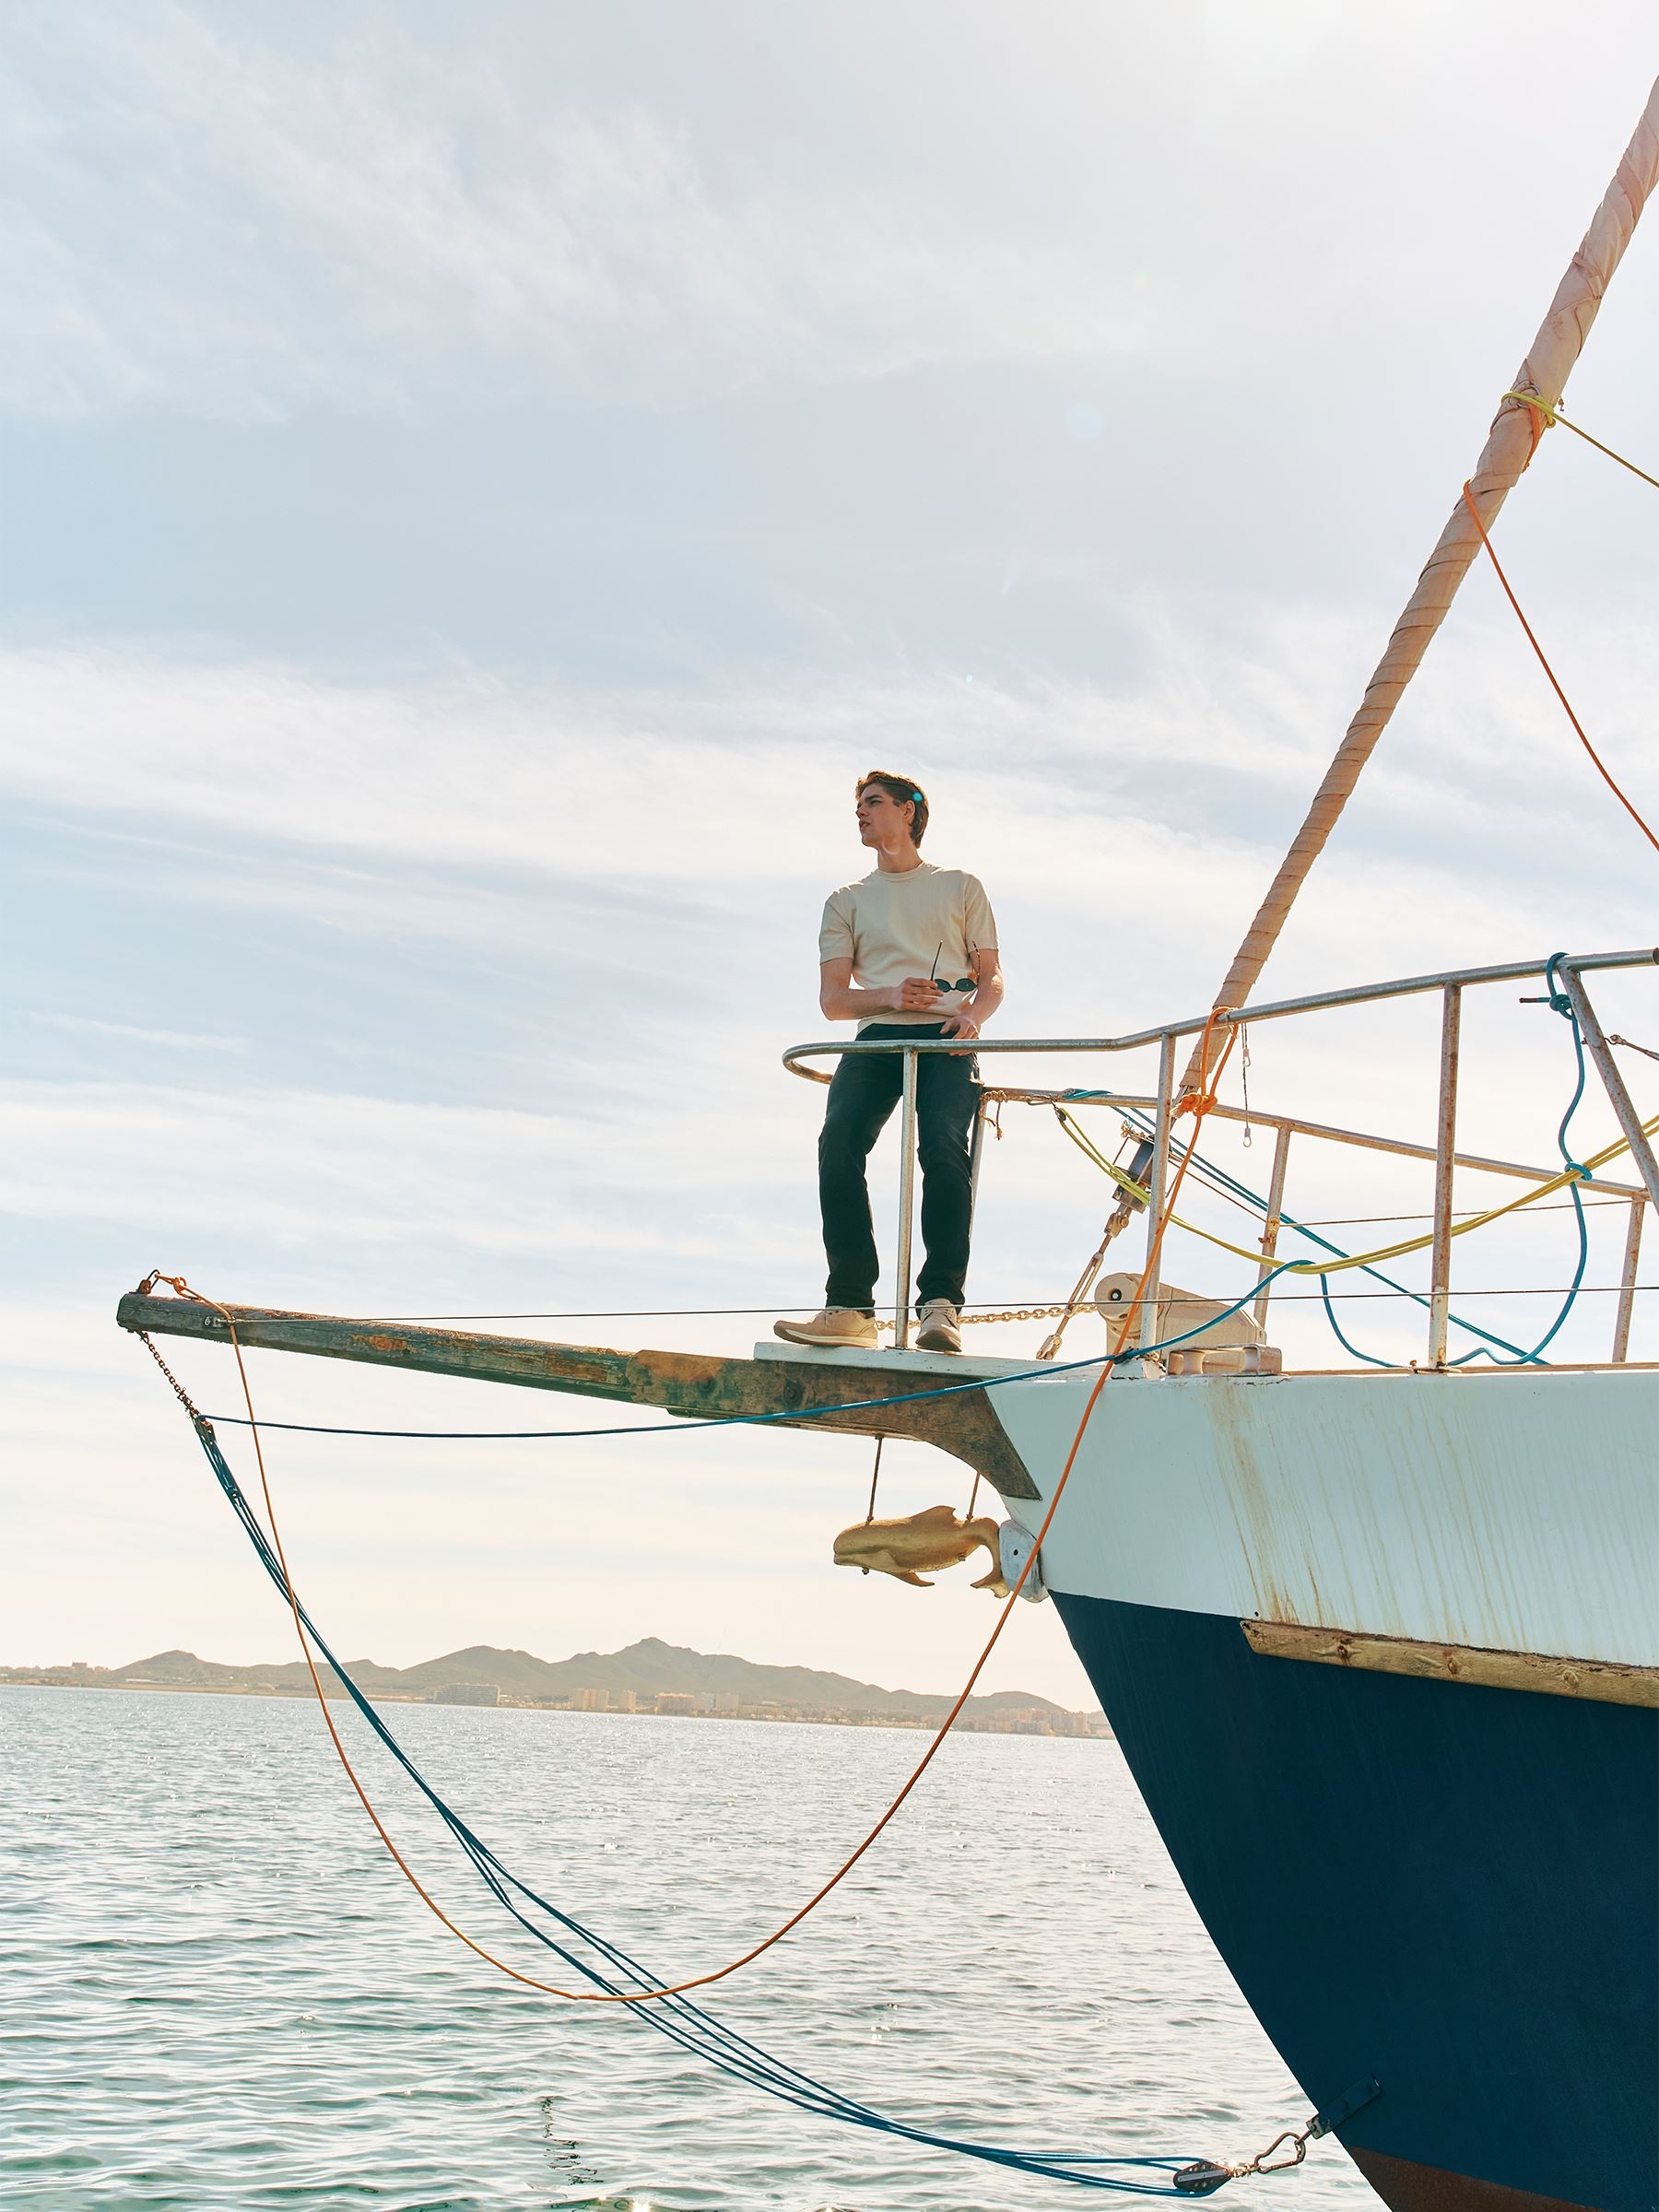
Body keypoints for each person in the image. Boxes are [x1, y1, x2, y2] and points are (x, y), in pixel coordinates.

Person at [775, 771, 1003, 1355]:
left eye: (872, 803)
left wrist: (974, 1015)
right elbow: (833, 1002)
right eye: (857, 806)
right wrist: (890, 996)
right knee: (839, 1142)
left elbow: (992, 977)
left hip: (949, 1038)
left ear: (909, 811)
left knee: (943, 1149)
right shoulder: (845, 901)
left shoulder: (961, 886)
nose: (861, 813)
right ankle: (850, 1305)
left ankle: (940, 1306)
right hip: (876, 1038)